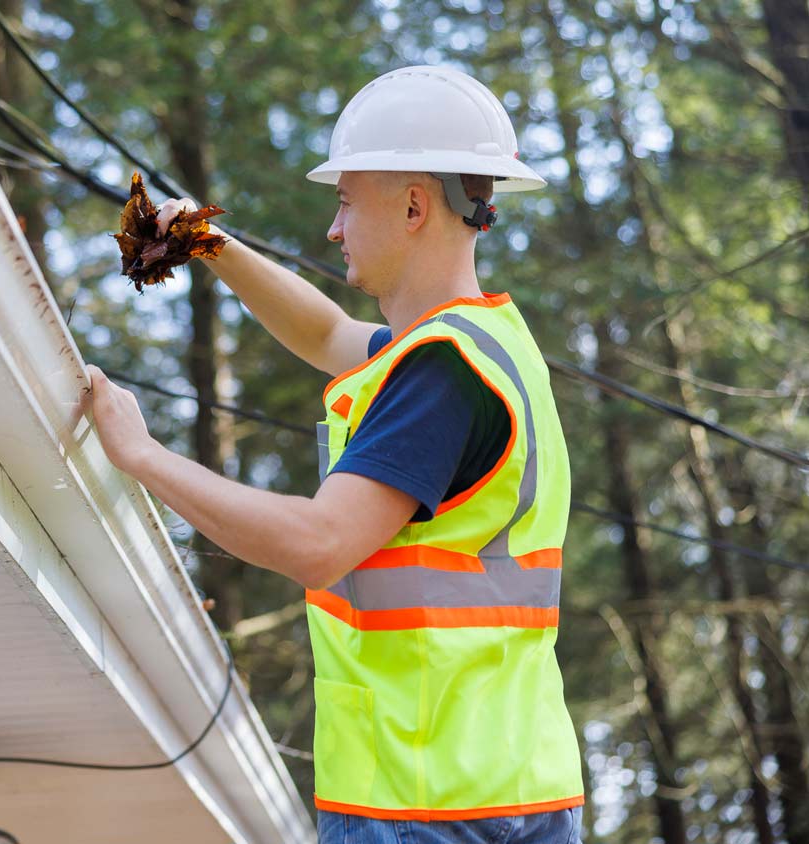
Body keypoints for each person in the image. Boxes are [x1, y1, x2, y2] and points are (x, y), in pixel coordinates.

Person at [80, 65, 585, 842]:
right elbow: (323, 335)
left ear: (415, 205)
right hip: (506, 788)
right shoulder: (485, 348)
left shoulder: (441, 374)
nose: (334, 228)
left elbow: (318, 545)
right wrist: (209, 243)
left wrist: (141, 456)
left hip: (423, 805)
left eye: (346, 201)